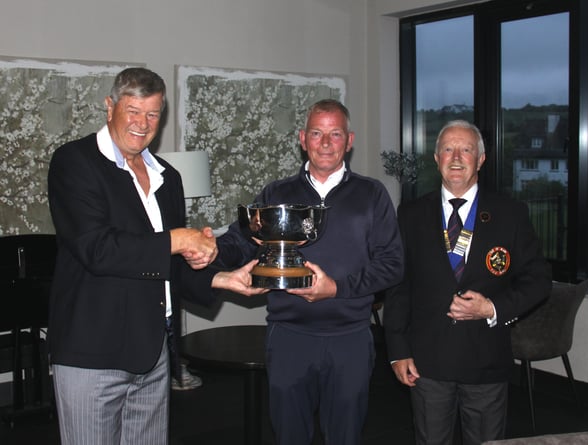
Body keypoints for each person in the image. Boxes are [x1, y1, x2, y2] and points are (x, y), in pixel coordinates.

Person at [47, 67, 265, 445]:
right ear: (109, 106)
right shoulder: (74, 162)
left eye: (152, 114)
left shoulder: (168, 177)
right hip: (93, 354)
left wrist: (217, 278)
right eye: (132, 110)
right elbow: (98, 250)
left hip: (153, 351)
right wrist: (178, 238)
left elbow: (161, 266)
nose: (142, 123)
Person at [215, 99, 404, 445]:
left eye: (336, 134)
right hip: (289, 337)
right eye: (317, 133)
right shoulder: (276, 193)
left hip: (350, 339)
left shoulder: (372, 194)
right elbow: (240, 241)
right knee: (289, 436)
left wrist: (337, 288)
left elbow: (392, 266)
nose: (326, 143)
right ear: (303, 138)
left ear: (350, 141)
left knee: (345, 437)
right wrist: (209, 250)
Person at [383, 120, 552, 445]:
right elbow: (398, 287)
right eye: (448, 149)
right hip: (427, 364)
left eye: (466, 149)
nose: (456, 157)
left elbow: (539, 281)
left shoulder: (511, 214)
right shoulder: (410, 214)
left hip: (486, 363)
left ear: (481, 159)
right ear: (436, 158)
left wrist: (493, 307)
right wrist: (398, 350)